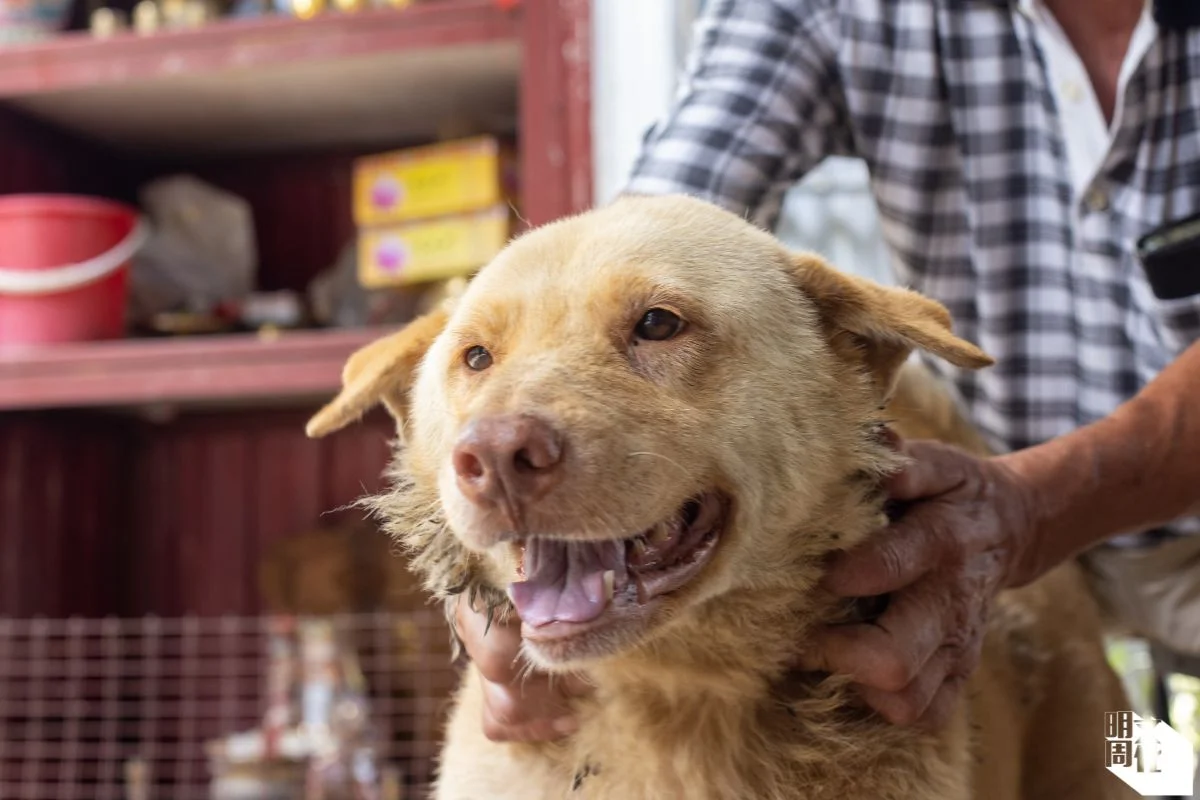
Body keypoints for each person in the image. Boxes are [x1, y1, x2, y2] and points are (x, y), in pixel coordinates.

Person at [454, 0, 1200, 742]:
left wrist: (1039, 508)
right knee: (1130, 753)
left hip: (1124, 528)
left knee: (1146, 756)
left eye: (657, 329)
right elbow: (664, 221)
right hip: (1010, 523)